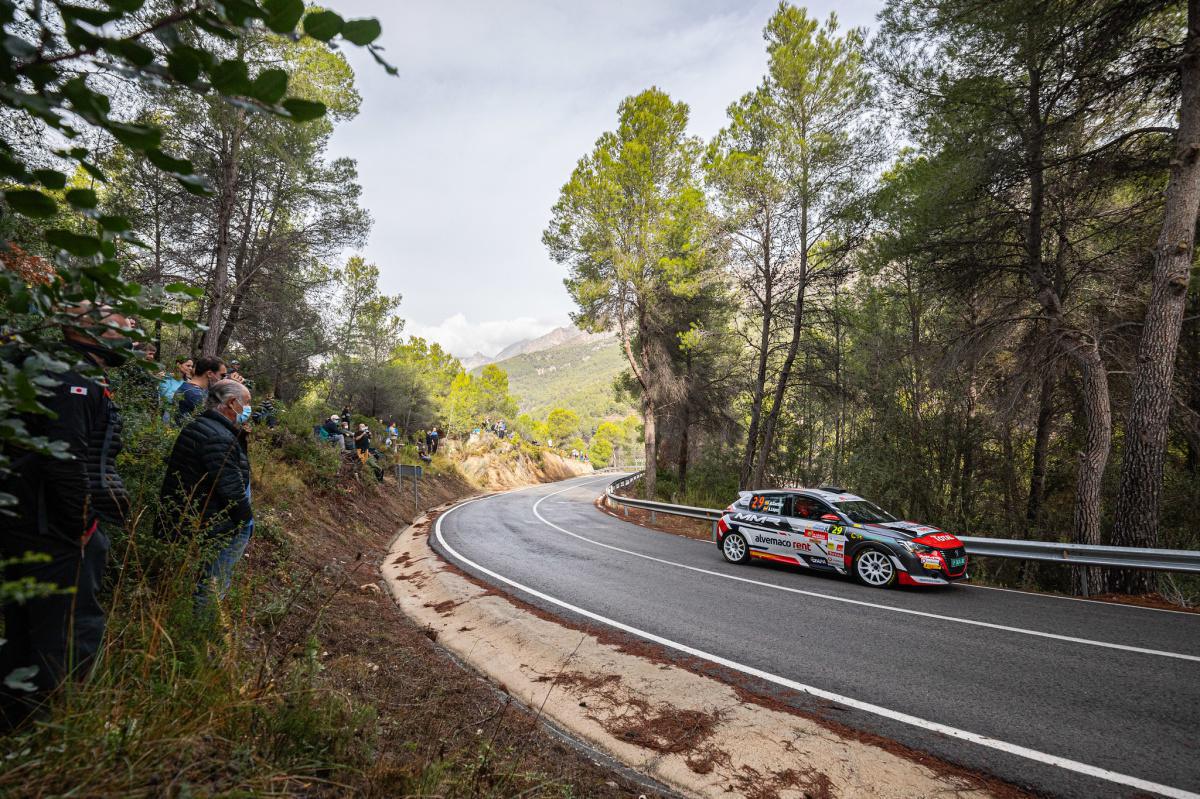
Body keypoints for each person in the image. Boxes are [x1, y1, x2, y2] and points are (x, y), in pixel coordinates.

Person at [0, 303, 133, 728]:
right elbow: (64, 459)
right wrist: (81, 524)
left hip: (37, 519)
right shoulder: (69, 378)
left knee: (32, 624)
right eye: (120, 328)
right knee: (64, 627)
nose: (129, 336)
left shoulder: (65, 372)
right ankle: (47, 723)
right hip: (52, 526)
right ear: (86, 331)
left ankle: (17, 717)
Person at [158, 379, 254, 602]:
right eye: (247, 403)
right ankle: (204, 625)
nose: (249, 409)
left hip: (198, 514)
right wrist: (245, 523)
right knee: (213, 584)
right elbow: (230, 488)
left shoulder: (202, 426)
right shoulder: (218, 437)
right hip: (214, 520)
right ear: (232, 403)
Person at [173, 356, 225, 424]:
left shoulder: (189, 387)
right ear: (209, 374)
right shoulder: (194, 394)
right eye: (222, 375)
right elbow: (215, 420)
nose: (223, 379)